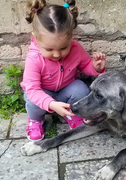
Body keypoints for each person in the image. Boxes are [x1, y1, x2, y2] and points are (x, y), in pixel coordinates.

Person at [21, 0, 106, 141]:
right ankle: (36, 120)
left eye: (63, 48)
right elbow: (32, 89)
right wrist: (51, 104)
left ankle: (69, 114)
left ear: (71, 38)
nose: (56, 54)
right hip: (42, 93)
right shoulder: (34, 59)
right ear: (36, 38)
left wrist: (96, 67)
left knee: (81, 89)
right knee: (32, 100)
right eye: (49, 49)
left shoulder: (76, 49)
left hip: (66, 90)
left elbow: (85, 66)